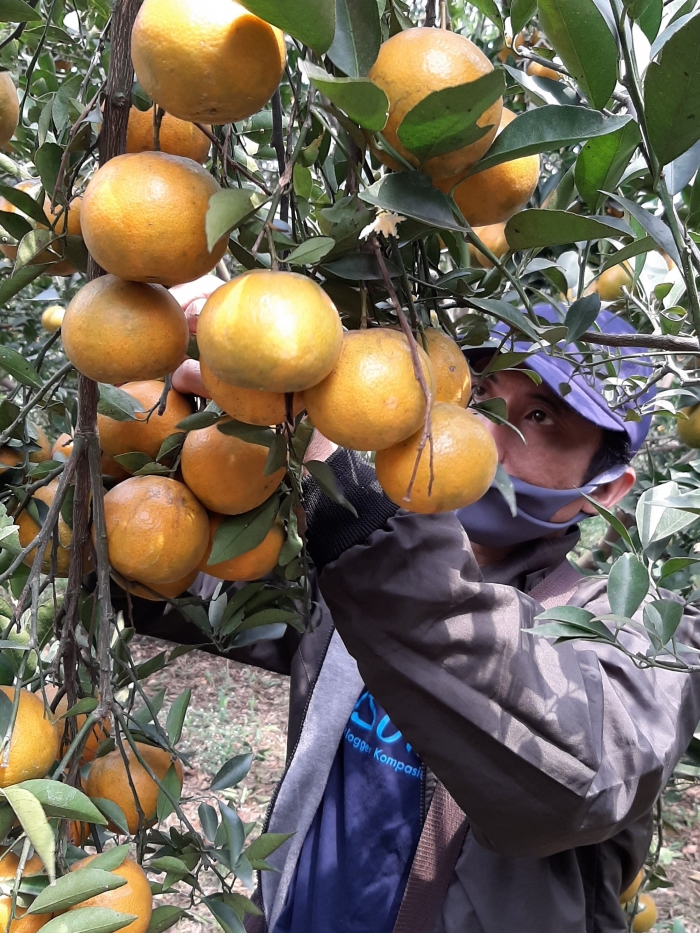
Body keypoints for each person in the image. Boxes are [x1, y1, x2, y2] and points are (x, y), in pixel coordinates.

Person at [129, 277, 700, 933]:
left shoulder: (650, 641)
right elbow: (196, 596)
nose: (490, 430)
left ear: (608, 489)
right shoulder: (359, 576)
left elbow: (575, 777)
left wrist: (345, 484)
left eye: (539, 416)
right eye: (481, 396)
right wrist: (144, 453)